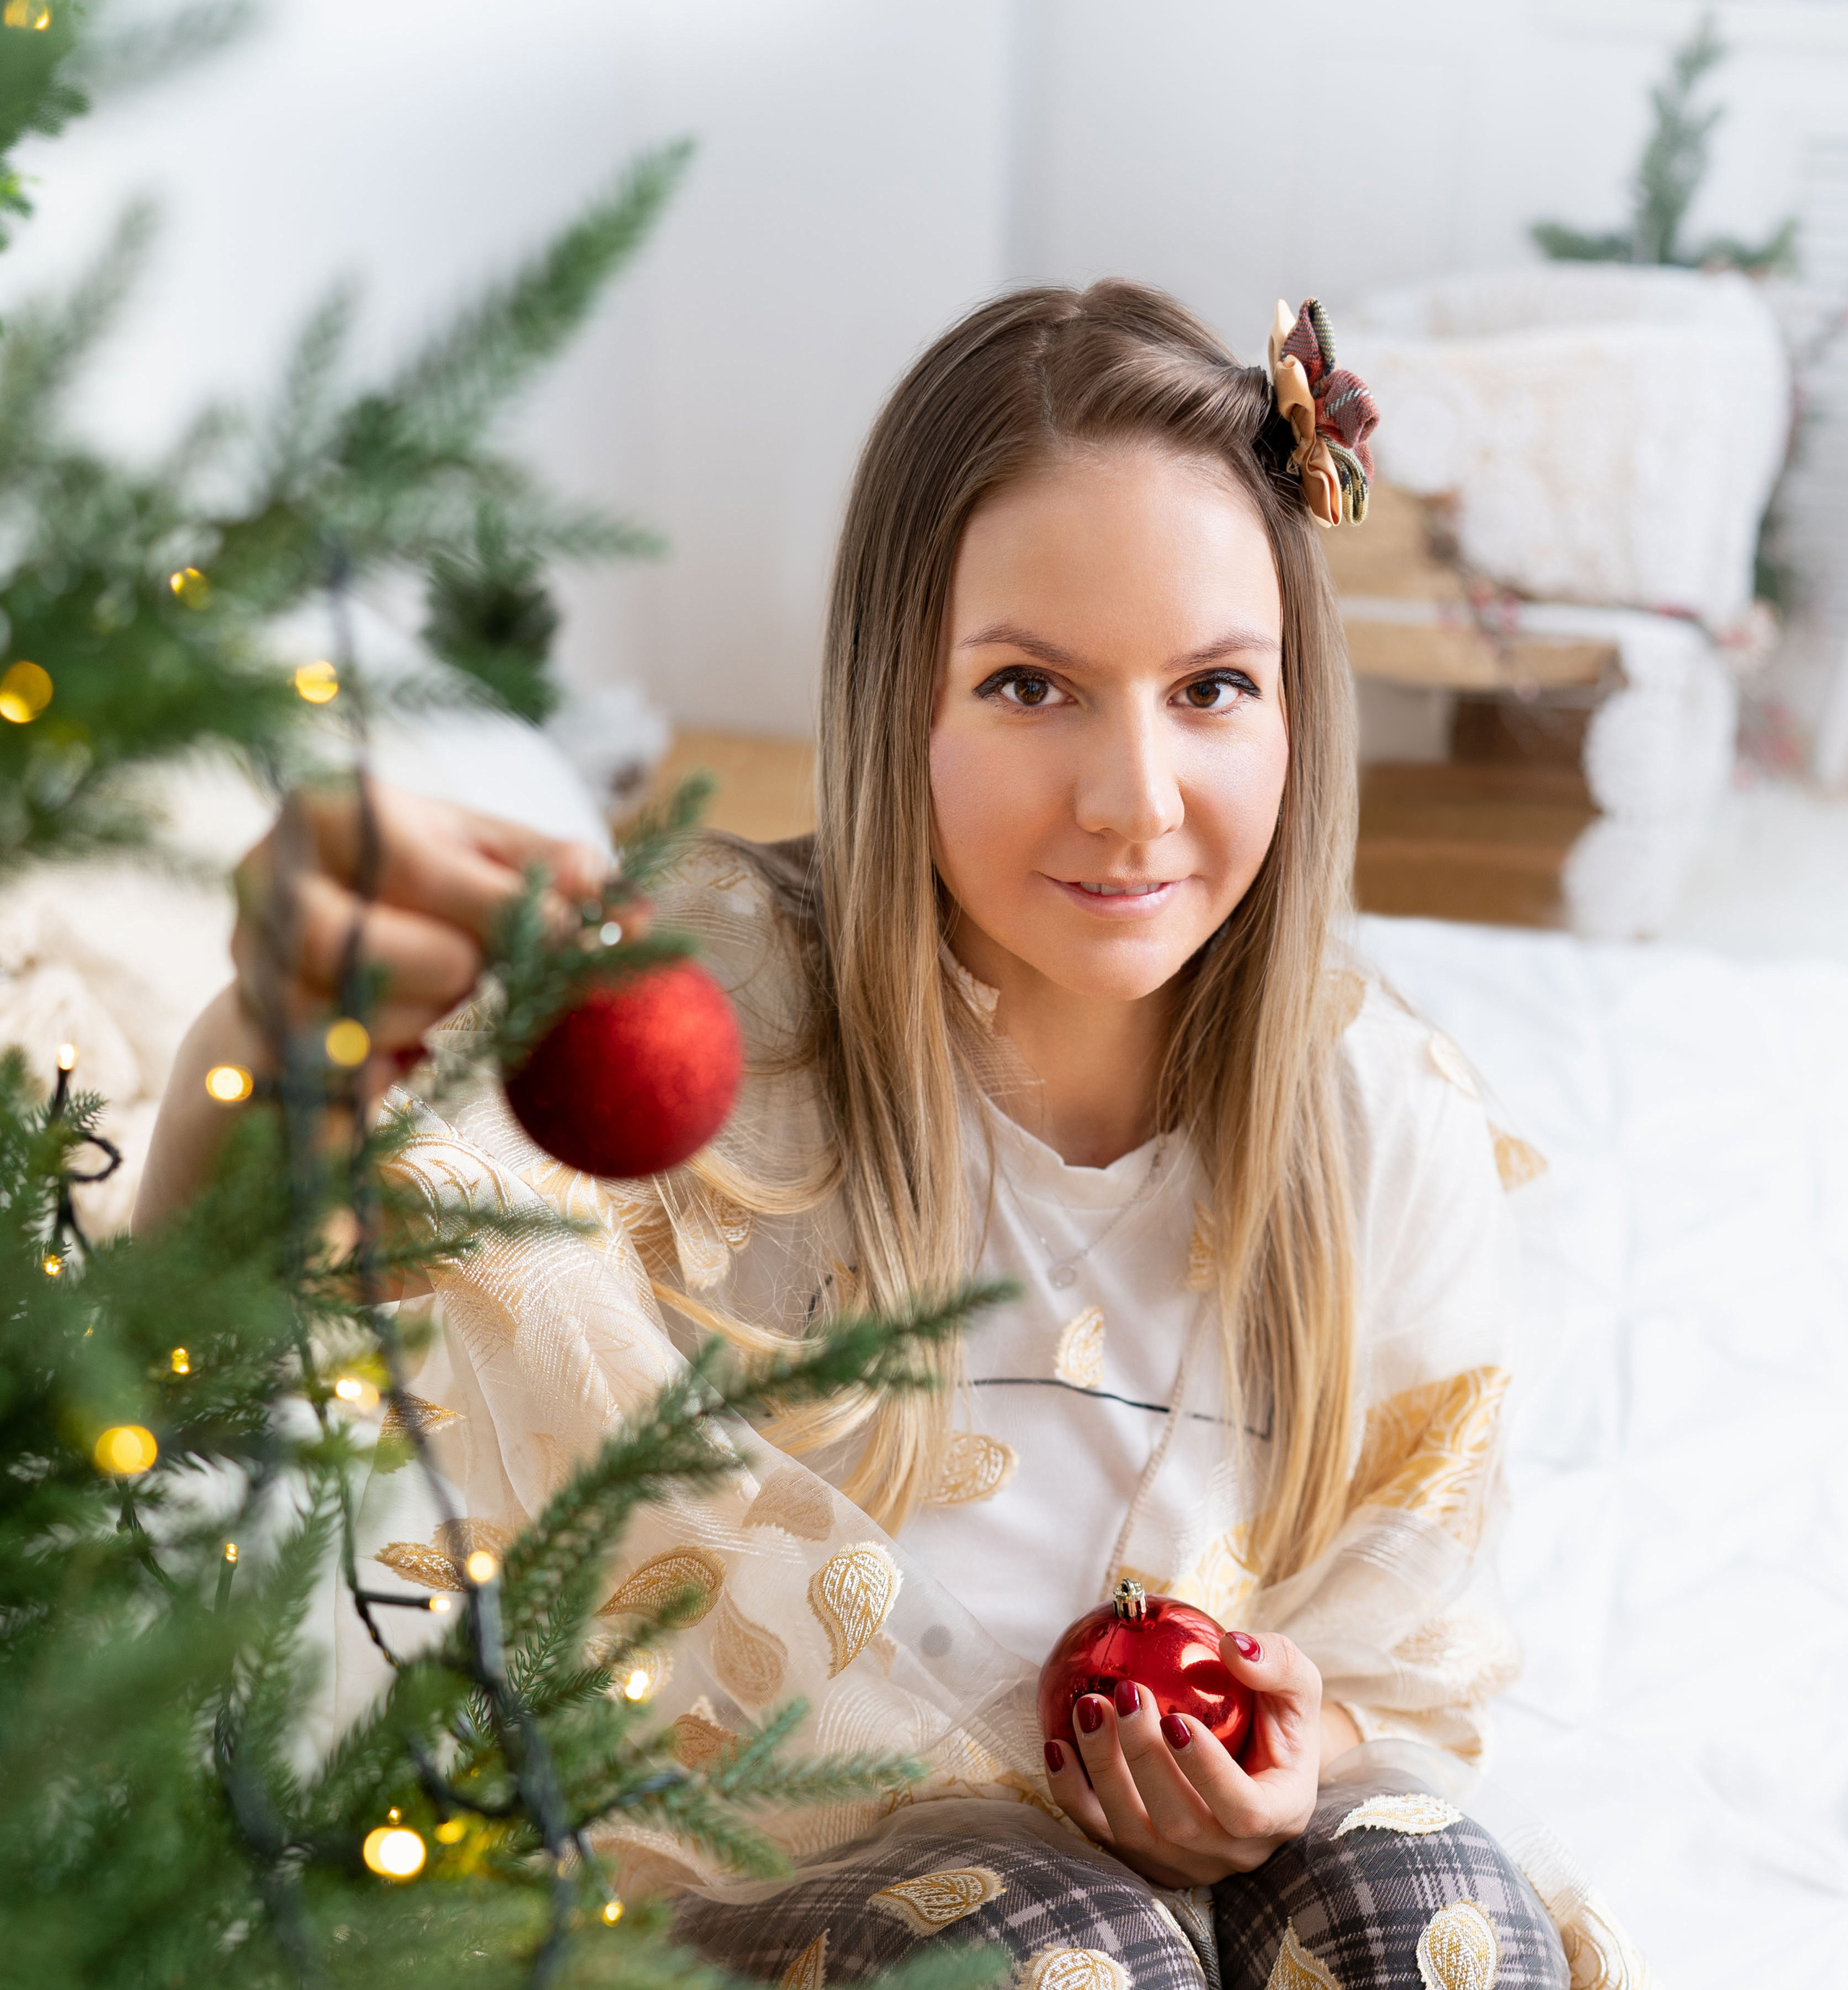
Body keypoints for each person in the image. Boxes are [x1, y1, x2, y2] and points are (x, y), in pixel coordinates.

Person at [138, 285, 1634, 1989]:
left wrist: (1312, 1738)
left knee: (1420, 1905)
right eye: (1027, 686)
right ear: (889, 699)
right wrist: (259, 1036)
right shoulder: (709, 1017)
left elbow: (1405, 1613)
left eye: (1212, 686)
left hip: (1238, 1865)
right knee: (1067, 1959)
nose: (1132, 796)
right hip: (802, 1855)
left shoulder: (1372, 1112)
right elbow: (235, 1332)